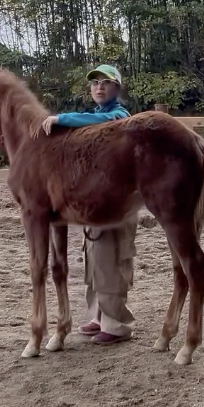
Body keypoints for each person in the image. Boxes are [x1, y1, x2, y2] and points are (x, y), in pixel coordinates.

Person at [41, 63, 137, 345]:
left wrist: (62, 118)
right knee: (93, 259)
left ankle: (118, 324)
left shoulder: (120, 116)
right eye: (95, 83)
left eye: (105, 83)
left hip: (117, 200)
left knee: (110, 259)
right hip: (97, 198)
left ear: (117, 88)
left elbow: (95, 123)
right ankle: (99, 317)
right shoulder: (95, 116)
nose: (99, 87)